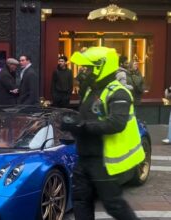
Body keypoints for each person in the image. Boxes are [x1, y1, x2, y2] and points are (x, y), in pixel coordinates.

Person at [61, 46, 145, 220]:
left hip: (104, 161)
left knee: (113, 205)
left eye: (88, 68)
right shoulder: (92, 90)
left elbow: (116, 123)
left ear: (101, 67)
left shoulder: (119, 92)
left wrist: (83, 126)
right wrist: (72, 126)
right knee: (81, 201)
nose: (84, 72)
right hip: (84, 157)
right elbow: (87, 116)